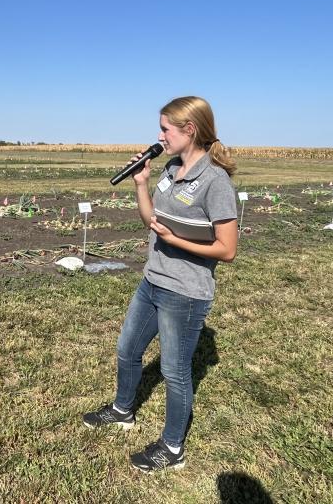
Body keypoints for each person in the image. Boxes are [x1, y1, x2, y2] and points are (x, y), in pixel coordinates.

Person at [82, 96, 238, 473]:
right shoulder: (169, 169)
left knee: (175, 372)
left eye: (166, 129)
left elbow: (227, 249)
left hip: (185, 293)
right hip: (152, 280)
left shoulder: (215, 181)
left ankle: (172, 448)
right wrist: (141, 183)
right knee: (126, 349)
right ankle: (122, 410)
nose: (160, 135)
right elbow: (152, 220)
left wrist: (175, 240)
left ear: (190, 130)